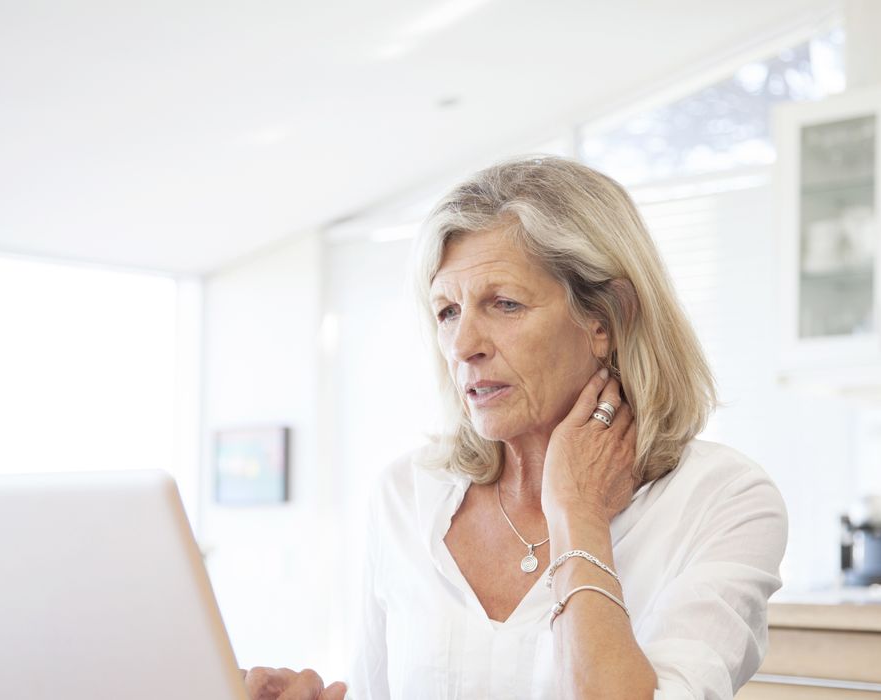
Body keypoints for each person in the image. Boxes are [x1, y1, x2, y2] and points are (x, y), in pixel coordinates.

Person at [244, 156, 788, 699]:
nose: (462, 346)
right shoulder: (405, 495)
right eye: (447, 311)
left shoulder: (725, 500)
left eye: (504, 303)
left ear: (605, 319)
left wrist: (578, 512)